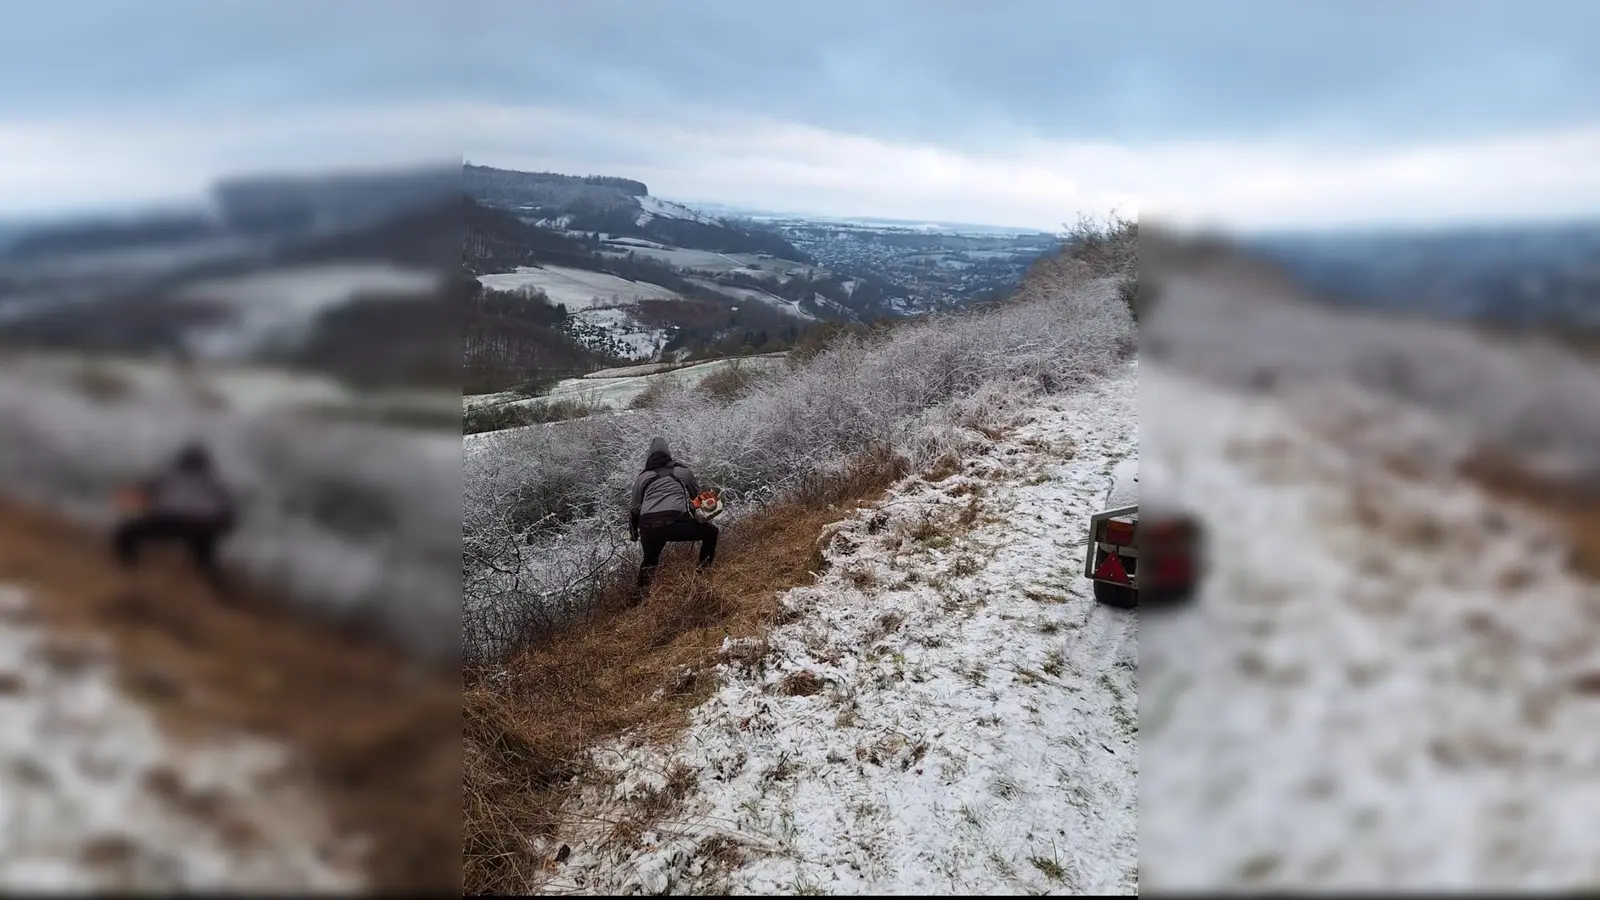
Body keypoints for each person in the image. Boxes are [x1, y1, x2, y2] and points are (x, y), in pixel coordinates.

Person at [112, 442, 239, 594]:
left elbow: (143, 490)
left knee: (126, 534)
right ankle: (213, 586)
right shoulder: (213, 482)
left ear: (181, 460)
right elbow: (228, 512)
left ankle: (131, 570)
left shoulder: (170, 474)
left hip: (171, 521)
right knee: (205, 560)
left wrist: (130, 502)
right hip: (203, 527)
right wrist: (220, 530)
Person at [628, 436, 717, 602]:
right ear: (669, 454)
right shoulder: (682, 472)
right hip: (675, 523)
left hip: (648, 526)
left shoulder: (642, 478)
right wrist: (700, 516)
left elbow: (634, 509)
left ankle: (637, 601)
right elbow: (697, 499)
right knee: (711, 532)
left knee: (649, 561)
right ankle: (702, 577)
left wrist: (633, 532)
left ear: (649, 456)